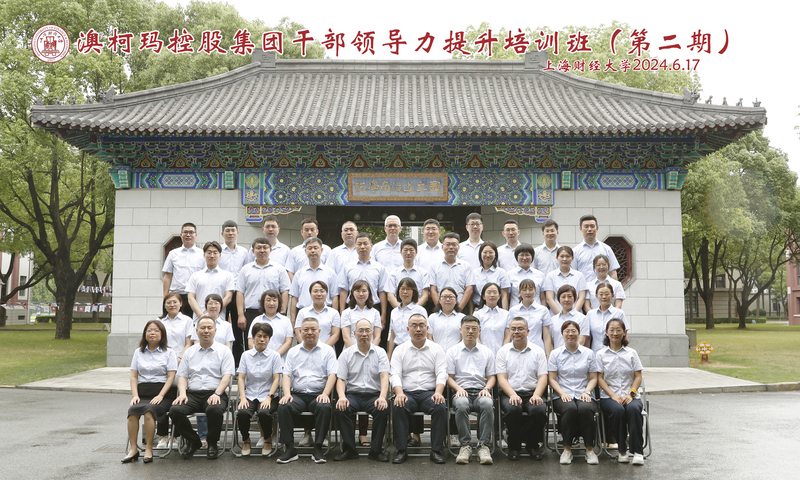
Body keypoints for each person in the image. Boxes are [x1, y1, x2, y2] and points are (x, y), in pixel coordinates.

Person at [169, 315, 235, 460]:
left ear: (215, 330)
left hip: (215, 392)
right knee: (175, 410)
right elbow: (182, 376)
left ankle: (212, 443)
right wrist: (182, 393)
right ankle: (193, 440)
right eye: (203, 328)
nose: (206, 331)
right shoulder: (189, 352)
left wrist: (217, 393)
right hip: (192, 394)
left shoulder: (224, 351)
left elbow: (227, 376)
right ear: (197, 331)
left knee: (214, 409)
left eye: (209, 328)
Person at [277, 318, 337, 464]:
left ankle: (318, 448)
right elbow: (287, 375)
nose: (309, 332)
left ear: (319, 331)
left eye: (313, 329)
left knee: (324, 407)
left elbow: (332, 375)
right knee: (284, 406)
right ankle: (289, 448)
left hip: (319, 394)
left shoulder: (328, 351)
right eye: (306, 329)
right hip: (298, 395)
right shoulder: (293, 351)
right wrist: (287, 394)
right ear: (300, 332)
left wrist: (325, 394)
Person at [390, 313, 448, 464]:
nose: (418, 329)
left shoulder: (436, 349)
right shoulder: (400, 350)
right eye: (414, 326)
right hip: (407, 393)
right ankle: (401, 450)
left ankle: (436, 450)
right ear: (408, 329)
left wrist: (438, 393)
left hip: (429, 393)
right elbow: (395, 374)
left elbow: (442, 373)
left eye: (421, 325)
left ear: (427, 328)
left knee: (440, 406)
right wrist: (399, 393)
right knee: (399, 405)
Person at [334, 319, 391, 462]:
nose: (364, 334)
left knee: (382, 409)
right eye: (360, 330)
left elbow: (384, 377)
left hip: (374, 395)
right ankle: (349, 449)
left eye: (367, 330)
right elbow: (341, 379)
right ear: (354, 333)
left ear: (372, 333)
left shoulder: (380, 352)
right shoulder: (346, 354)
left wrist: (382, 397)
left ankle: (376, 451)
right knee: (341, 408)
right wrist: (342, 396)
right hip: (353, 394)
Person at [124, 320, 177, 464]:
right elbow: (134, 376)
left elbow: (171, 377)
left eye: (156, 330)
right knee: (133, 411)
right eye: (149, 330)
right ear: (145, 334)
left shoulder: (169, 353)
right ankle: (133, 449)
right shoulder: (138, 352)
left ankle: (148, 448)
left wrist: (160, 395)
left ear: (162, 334)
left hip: (163, 394)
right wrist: (135, 395)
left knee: (149, 411)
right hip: (143, 392)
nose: (152, 333)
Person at [495, 317, 548, 460]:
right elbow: (502, 378)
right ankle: (514, 446)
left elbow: (543, 377)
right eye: (513, 329)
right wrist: (512, 394)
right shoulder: (503, 351)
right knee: (513, 410)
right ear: (509, 331)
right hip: (510, 392)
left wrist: (537, 395)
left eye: (520, 329)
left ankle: (533, 445)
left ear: (528, 331)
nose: (516, 332)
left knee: (539, 410)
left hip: (533, 392)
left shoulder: (538, 351)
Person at [548, 320, 600, 465]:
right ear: (562, 334)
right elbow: (552, 379)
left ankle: (589, 450)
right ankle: (567, 450)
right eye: (567, 331)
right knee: (570, 408)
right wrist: (562, 393)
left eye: (573, 331)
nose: (570, 334)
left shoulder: (588, 353)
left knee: (585, 409)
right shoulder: (555, 354)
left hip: (584, 393)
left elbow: (593, 378)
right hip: (562, 394)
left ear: (579, 333)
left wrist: (587, 392)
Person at [446, 315, 496, 465]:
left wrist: (487, 388)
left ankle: (483, 446)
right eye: (467, 328)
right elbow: (448, 377)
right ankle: (465, 446)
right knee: (461, 404)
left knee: (487, 403)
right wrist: (458, 388)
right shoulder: (452, 351)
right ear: (460, 330)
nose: (470, 331)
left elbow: (492, 377)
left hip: (481, 390)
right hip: (461, 390)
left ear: (479, 331)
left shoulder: (487, 352)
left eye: (474, 328)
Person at [596, 318, 645, 466]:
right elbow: (599, 378)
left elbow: (638, 376)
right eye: (611, 330)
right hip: (609, 397)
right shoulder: (601, 354)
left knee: (633, 410)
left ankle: (637, 452)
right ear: (606, 332)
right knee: (618, 411)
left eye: (618, 330)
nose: (615, 333)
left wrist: (631, 394)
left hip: (631, 396)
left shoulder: (631, 353)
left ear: (624, 333)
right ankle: (622, 450)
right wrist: (613, 395)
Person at [236, 237, 290, 364]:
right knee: (252, 342)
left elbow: (285, 291)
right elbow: (240, 292)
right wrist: (240, 314)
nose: (262, 250)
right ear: (253, 251)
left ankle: (273, 364)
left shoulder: (279, 269)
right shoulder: (246, 269)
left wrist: (282, 311)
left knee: (273, 341)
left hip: (273, 312)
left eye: (265, 247)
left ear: (270, 250)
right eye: (258, 248)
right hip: (252, 312)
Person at [236, 322, 282, 456]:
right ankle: (246, 440)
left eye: (265, 337)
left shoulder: (275, 356)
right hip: (250, 394)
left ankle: (267, 439)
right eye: (259, 336)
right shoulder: (246, 355)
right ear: (253, 337)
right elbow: (241, 378)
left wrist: (269, 397)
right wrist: (242, 398)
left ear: (269, 339)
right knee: (242, 412)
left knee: (264, 412)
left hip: (268, 394)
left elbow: (276, 379)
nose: (262, 339)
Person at [337, 233, 387, 325]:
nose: (362, 247)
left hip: (373, 307)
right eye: (359, 244)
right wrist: (342, 312)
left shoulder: (380, 268)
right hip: (352, 307)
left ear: (371, 246)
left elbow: (382, 291)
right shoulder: (348, 267)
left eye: (365, 243)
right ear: (355, 246)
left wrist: (383, 314)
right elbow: (344, 290)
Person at [289, 237, 339, 324]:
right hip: (303, 315)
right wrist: (293, 320)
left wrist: (335, 320)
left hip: (326, 315)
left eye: (316, 248)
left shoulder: (330, 273)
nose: (313, 251)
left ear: (321, 250)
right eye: (310, 248)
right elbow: (294, 298)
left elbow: (334, 297)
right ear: (305, 251)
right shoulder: (299, 274)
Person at [162, 222, 205, 316]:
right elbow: (168, 275)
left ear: (196, 235)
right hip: (177, 296)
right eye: (185, 232)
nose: (188, 235)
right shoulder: (173, 254)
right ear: (181, 235)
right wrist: (165, 296)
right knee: (176, 321)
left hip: (196, 296)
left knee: (195, 322)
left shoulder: (202, 254)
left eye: (191, 232)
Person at [186, 241, 235, 322]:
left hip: (219, 319)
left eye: (215, 253)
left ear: (220, 255)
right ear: (204, 255)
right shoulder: (195, 276)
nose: (212, 255)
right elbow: (191, 298)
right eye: (209, 253)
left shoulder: (227, 276)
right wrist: (201, 315)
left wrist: (214, 313)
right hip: (199, 319)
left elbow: (228, 297)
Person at [505, 279, 553, 359]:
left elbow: (547, 336)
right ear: (519, 292)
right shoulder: (513, 311)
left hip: (538, 351)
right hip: (517, 350)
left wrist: (548, 356)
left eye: (530, 289)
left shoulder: (543, 310)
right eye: (524, 290)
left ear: (535, 291)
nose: (527, 292)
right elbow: (509, 334)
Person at [429, 232, 475, 313]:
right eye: (447, 244)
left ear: (458, 247)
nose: (451, 247)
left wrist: (459, 308)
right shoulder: (434, 266)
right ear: (442, 247)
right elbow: (433, 290)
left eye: (454, 244)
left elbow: (469, 289)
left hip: (461, 308)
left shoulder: (466, 266)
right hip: (440, 309)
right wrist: (440, 308)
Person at [219, 220, 249, 335]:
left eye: (233, 230)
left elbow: (246, 272)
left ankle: (238, 347)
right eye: (227, 231)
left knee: (238, 326)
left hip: (238, 292)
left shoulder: (244, 252)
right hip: (222, 292)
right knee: (220, 322)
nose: (230, 233)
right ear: (222, 234)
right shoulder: (218, 251)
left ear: (238, 233)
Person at [387, 277, 428, 358]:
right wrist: (389, 356)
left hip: (414, 350)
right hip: (397, 350)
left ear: (413, 292)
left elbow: (425, 333)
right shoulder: (394, 312)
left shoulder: (420, 310)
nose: (405, 292)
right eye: (402, 289)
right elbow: (392, 336)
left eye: (408, 289)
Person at [247, 290, 294, 359]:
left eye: (274, 300)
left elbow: (288, 342)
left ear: (279, 303)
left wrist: (274, 357)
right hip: (259, 360)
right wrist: (260, 355)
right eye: (268, 300)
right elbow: (250, 341)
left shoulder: (285, 321)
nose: (271, 303)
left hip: (279, 360)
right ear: (263, 302)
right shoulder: (257, 320)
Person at [572, 214, 620, 283]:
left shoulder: (606, 249)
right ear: (581, 229)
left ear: (597, 228)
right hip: (584, 289)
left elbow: (612, 273)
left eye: (592, 226)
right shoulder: (575, 251)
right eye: (586, 226)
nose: (589, 229)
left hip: (603, 288)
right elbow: (573, 274)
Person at [386, 238, 431, 308]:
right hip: (398, 310)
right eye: (405, 250)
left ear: (416, 252)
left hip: (418, 310)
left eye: (411, 250)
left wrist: (413, 310)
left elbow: (425, 295)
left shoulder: (423, 273)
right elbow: (390, 296)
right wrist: (401, 309)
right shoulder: (393, 273)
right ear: (400, 252)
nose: (408, 253)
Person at [543, 246, 588, 315]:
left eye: (567, 256)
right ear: (557, 258)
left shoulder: (579, 276)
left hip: (576, 315)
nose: (564, 259)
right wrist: (561, 315)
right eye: (562, 256)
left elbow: (581, 298)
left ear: (572, 258)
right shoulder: (550, 276)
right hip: (556, 315)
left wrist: (573, 314)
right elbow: (549, 299)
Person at [585, 283, 630, 352]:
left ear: (613, 296)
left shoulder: (619, 313)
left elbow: (625, 337)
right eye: (601, 294)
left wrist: (627, 353)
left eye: (607, 294)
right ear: (596, 296)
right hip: (595, 353)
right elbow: (588, 338)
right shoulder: (590, 314)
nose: (604, 297)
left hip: (614, 353)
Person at [295, 280, 341, 347]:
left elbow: (335, 335)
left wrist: (322, 349)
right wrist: (307, 347)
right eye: (315, 291)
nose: (319, 294)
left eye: (322, 291)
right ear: (310, 294)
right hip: (306, 349)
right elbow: (298, 333)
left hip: (327, 350)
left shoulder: (334, 313)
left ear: (326, 294)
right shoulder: (302, 312)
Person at [341, 280, 382, 347]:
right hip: (351, 350)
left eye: (364, 291)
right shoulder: (346, 313)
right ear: (352, 293)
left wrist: (370, 351)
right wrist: (356, 351)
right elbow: (346, 338)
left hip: (371, 350)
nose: (361, 294)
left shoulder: (375, 313)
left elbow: (377, 337)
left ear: (369, 293)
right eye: (357, 291)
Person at [471, 241, 510, 309]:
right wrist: (471, 313)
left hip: (497, 309)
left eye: (491, 252)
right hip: (478, 309)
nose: (488, 255)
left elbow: (504, 296)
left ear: (495, 254)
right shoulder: (474, 273)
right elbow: (471, 295)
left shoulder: (502, 273)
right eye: (485, 252)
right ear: (480, 254)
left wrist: (504, 312)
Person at [473, 283, 508, 355]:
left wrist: (502, 352)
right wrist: (483, 352)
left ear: (499, 296)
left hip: (501, 354)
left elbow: (507, 337)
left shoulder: (506, 314)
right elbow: (476, 337)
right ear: (483, 296)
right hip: (482, 354)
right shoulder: (477, 314)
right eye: (489, 292)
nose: (492, 295)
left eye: (495, 292)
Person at [427, 286, 465, 353]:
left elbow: (464, 338)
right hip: (436, 353)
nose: (447, 299)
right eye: (444, 297)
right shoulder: (432, 317)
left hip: (456, 354)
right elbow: (429, 337)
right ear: (439, 300)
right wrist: (436, 350)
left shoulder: (462, 317)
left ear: (456, 300)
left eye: (451, 297)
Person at [550, 285, 588, 349]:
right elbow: (551, 341)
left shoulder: (582, 318)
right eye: (563, 297)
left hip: (575, 354)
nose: (566, 299)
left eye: (570, 296)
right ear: (559, 299)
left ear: (574, 298)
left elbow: (581, 341)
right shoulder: (553, 320)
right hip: (557, 354)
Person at [508, 243, 545, 307]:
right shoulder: (509, 274)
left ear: (532, 257)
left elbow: (543, 297)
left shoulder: (540, 274)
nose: (524, 258)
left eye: (527, 255)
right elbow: (506, 297)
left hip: (536, 310)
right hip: (516, 311)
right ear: (516, 257)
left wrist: (544, 310)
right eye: (521, 255)